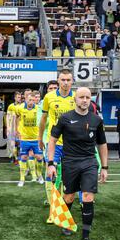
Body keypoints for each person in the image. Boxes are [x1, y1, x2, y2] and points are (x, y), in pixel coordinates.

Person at [47, 87, 108, 240]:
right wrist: (51, 163)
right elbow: (52, 140)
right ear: (75, 99)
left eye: (88, 97)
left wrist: (105, 166)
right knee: (69, 197)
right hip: (70, 163)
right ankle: (66, 222)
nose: (85, 100)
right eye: (81, 97)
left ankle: (86, 237)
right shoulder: (65, 118)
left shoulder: (96, 120)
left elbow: (102, 144)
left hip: (89, 162)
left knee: (88, 196)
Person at [39, 69, 76, 223]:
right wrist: (40, 138)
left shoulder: (77, 97)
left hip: (71, 144)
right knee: (51, 176)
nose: (65, 83)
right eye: (63, 80)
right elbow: (43, 119)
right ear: (58, 80)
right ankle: (53, 211)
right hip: (53, 142)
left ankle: (64, 209)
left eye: (68, 80)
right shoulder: (49, 97)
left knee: (67, 178)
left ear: (72, 81)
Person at [15, 92, 44, 187]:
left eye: (32, 100)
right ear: (25, 99)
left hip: (36, 138)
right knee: (23, 157)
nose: (31, 102)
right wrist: (16, 130)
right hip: (24, 139)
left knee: (39, 157)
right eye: (29, 100)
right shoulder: (20, 108)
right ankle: (22, 179)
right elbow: (16, 118)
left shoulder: (38, 109)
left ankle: (39, 175)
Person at [6, 92, 22, 165]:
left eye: (20, 97)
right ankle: (15, 158)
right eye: (18, 97)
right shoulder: (11, 106)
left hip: (21, 128)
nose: (20, 98)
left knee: (20, 144)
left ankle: (19, 158)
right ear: (15, 98)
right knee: (13, 144)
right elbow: (8, 117)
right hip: (12, 127)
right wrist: (8, 127)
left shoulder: (23, 105)